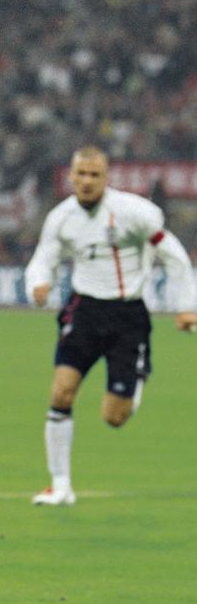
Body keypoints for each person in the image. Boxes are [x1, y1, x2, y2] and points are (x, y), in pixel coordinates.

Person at [24, 147, 196, 505]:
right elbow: (44, 258)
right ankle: (60, 485)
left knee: (114, 417)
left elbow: (174, 255)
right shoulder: (61, 218)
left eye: (94, 175)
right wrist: (37, 284)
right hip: (83, 310)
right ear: (71, 177)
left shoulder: (135, 213)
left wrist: (186, 306)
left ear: (106, 178)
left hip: (127, 316)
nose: (86, 181)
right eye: (81, 174)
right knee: (61, 393)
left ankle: (135, 379)